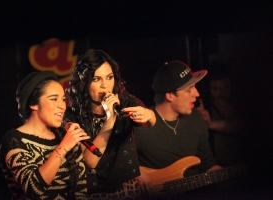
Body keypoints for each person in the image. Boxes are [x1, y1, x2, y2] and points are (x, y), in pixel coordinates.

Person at [63, 49, 156, 200]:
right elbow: (90, 160)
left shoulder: (124, 100)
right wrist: (110, 119)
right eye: (96, 79)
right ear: (84, 81)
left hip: (128, 189)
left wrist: (148, 115)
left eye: (109, 77)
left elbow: (150, 121)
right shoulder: (73, 116)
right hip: (95, 192)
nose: (105, 85)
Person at [134, 60, 222, 199]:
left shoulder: (196, 118)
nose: (197, 94)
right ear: (170, 96)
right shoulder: (141, 123)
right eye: (189, 90)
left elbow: (207, 164)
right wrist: (135, 172)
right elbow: (113, 161)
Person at [0, 71, 90, 199]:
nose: (62, 106)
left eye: (63, 99)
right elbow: (33, 188)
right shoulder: (13, 140)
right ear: (33, 104)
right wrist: (63, 147)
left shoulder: (66, 137)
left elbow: (81, 191)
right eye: (53, 99)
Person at [197, 62, 244, 167]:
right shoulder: (205, 107)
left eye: (226, 87)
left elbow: (245, 127)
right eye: (216, 89)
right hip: (218, 168)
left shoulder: (241, 103)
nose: (222, 94)